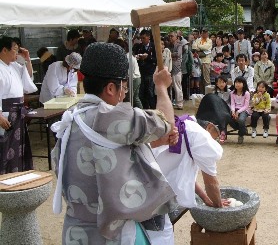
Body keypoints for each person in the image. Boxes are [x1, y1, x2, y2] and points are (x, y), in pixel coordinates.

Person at [51, 42, 177, 244]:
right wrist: (161, 87)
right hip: (112, 234)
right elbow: (166, 122)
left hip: (75, 231)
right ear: (111, 88)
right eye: (124, 88)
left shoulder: (70, 117)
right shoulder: (109, 117)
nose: (125, 94)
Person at [147, 116, 228, 244]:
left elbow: (185, 174)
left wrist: (205, 198)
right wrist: (219, 206)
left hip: (145, 178)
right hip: (148, 187)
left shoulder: (188, 124)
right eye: (214, 136)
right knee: (162, 235)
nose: (214, 140)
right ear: (209, 127)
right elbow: (211, 182)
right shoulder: (200, 136)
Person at [0, 36, 37, 174]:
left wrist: (27, 59)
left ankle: (18, 174)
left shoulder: (15, 66)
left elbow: (28, 82)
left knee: (19, 147)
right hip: (6, 112)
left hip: (18, 111)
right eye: (14, 50)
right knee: (5, 148)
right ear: (4, 50)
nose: (17, 53)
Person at [229, 76, 251, 144]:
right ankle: (243, 129)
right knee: (228, 118)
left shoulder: (247, 93)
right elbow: (232, 104)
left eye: (239, 82)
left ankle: (240, 135)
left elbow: (246, 106)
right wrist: (233, 111)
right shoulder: (232, 93)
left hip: (244, 110)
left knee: (241, 120)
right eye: (236, 82)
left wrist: (238, 112)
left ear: (243, 84)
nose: (237, 84)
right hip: (235, 109)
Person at [168, 32, 184, 110]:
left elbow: (177, 54)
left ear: (176, 37)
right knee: (169, 87)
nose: (170, 38)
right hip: (169, 69)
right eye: (169, 36)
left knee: (177, 87)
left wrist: (170, 55)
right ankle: (170, 103)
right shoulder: (168, 45)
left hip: (176, 69)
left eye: (172, 36)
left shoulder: (179, 45)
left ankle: (180, 104)